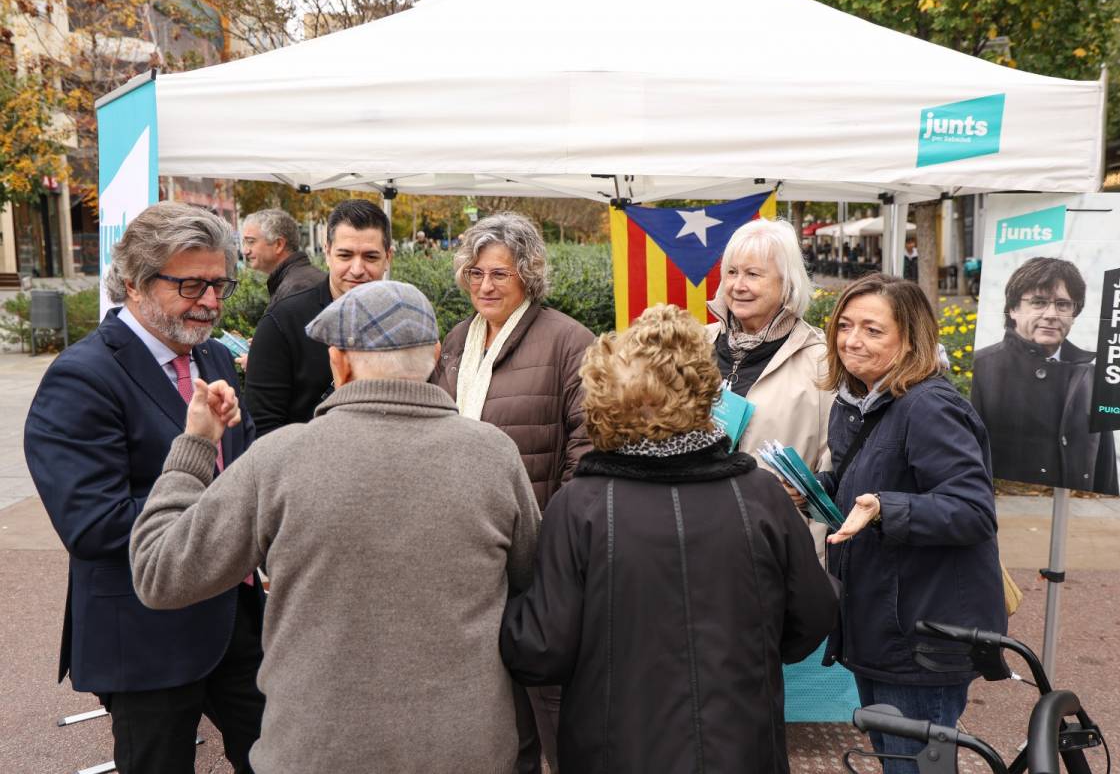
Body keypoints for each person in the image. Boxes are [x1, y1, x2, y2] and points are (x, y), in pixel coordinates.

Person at [129, 281, 541, 774]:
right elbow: (530, 582)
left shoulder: (281, 459)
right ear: (434, 355)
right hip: (466, 750)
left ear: (338, 362)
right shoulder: (493, 454)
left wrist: (195, 445)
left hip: (316, 752)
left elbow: (160, 574)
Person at [501, 304, 839, 774]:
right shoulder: (760, 495)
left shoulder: (580, 506)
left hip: (613, 750)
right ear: (706, 394)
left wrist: (500, 603)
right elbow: (813, 615)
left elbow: (541, 651)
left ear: (606, 398)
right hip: (740, 745)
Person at [24, 202, 264, 773]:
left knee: (283, 756)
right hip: (146, 632)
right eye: (191, 285)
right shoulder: (82, 376)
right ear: (133, 281)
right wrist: (222, 517)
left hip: (237, 617)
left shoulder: (212, 357)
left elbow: (246, 466)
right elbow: (93, 524)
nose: (210, 302)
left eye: (220, 284)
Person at [814, 273, 1005, 774]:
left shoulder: (928, 406)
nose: (853, 340)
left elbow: (972, 511)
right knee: (898, 763)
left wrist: (885, 508)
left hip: (921, 639)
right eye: (846, 326)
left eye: (873, 330)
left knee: (917, 769)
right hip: (880, 628)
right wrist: (819, 488)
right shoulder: (857, 402)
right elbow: (872, 480)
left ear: (910, 339)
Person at [432, 211, 594, 774]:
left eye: (499, 273)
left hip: (540, 550)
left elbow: (587, 445)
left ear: (528, 274)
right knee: (491, 705)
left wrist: (556, 534)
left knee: (551, 698)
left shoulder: (569, 340)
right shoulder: (457, 340)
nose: (485, 285)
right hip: (467, 547)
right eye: (475, 273)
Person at [704, 218, 833, 545]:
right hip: (699, 537)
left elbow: (834, 468)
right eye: (731, 272)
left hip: (777, 546)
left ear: (787, 283)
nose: (738, 285)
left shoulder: (821, 361)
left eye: (753, 274)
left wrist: (808, 499)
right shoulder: (695, 346)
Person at [244, 198, 393, 435]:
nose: (357, 269)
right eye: (345, 256)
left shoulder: (403, 321)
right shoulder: (284, 321)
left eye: (370, 257)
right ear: (327, 253)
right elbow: (261, 427)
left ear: (388, 258)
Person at [972, 257, 1118, 494]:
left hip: (1073, 516)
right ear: (1013, 309)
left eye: (1063, 304)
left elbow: (1105, 468)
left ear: (1074, 312)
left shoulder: (1091, 376)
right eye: (1038, 302)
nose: (1051, 314)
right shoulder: (982, 369)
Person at [241, 209, 325, 309]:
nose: (245, 251)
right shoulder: (299, 281)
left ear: (279, 245)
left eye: (251, 241)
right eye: (244, 242)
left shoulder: (297, 288)